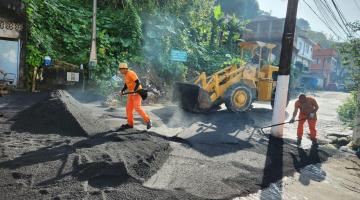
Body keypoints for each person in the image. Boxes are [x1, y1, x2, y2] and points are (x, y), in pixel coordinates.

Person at [118, 62, 152, 130]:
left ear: (125, 69)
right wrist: (122, 91)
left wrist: (134, 90)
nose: (120, 71)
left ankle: (148, 121)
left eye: (121, 69)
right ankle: (130, 124)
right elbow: (126, 85)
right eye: (120, 70)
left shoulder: (131, 73)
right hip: (131, 93)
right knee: (128, 109)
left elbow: (138, 82)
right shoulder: (125, 75)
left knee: (137, 108)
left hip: (137, 92)